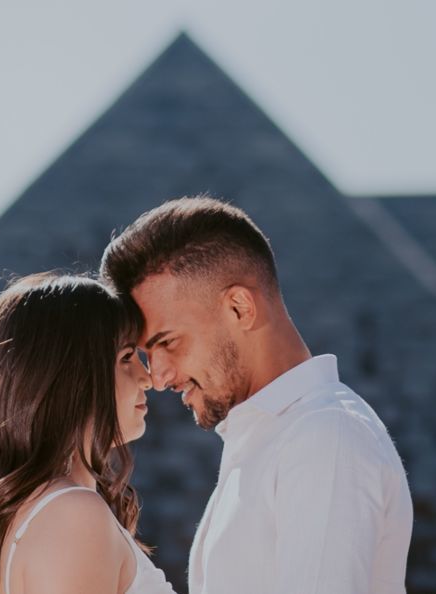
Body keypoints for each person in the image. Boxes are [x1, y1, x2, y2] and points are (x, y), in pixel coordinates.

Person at [101, 197, 412, 594]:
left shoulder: (324, 437)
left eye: (168, 342)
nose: (158, 377)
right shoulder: (270, 439)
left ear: (239, 307)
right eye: (146, 352)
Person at [0, 271, 178, 594]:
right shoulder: (72, 515)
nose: (148, 378)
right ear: (73, 376)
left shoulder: (52, 511)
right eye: (127, 357)